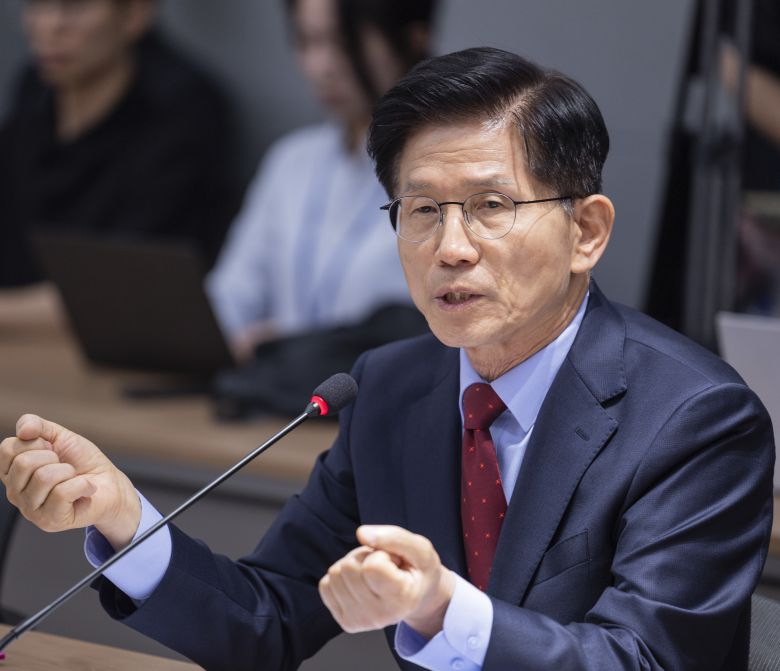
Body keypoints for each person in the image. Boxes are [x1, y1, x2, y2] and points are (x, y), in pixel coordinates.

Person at [1, 47, 775, 670]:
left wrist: (445, 609)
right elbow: (266, 622)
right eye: (423, 209)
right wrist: (125, 521)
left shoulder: (694, 418)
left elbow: (642, 658)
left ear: (587, 232)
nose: (451, 247)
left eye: (492, 206)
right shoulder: (392, 386)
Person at [205, 0, 435, 361]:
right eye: (307, 41)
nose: (321, 66)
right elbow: (231, 295)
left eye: (343, 43)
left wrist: (291, 346)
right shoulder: (293, 160)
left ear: (411, 40)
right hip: (274, 385)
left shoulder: (444, 170)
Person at [0, 0, 237, 287]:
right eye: (37, 4)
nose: (50, 25)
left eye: (76, 7)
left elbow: (131, 283)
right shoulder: (33, 93)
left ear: (135, 14)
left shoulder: (179, 111)